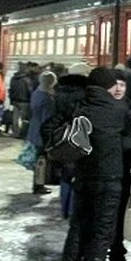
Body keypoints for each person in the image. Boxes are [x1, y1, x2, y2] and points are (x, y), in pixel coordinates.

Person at [59, 67, 131, 261]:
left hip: (83, 179)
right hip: (110, 180)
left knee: (77, 231)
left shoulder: (80, 109)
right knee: (101, 234)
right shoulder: (119, 109)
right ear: (107, 87)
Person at [106, 68, 131, 261]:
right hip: (106, 170)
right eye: (116, 84)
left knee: (118, 218)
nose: (119, 88)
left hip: (122, 170)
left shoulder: (129, 108)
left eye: (122, 84)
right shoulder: (103, 108)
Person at [43, 63, 91, 219]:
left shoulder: (59, 90)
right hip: (77, 135)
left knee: (66, 173)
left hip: (61, 135)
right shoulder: (84, 92)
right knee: (78, 174)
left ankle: (64, 209)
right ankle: (72, 210)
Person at [26, 71, 57, 194]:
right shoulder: (47, 97)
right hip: (42, 133)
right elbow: (48, 118)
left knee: (38, 159)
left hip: (34, 128)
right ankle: (39, 185)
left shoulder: (36, 93)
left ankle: (37, 184)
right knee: (41, 160)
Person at [8, 62, 33, 139]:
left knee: (14, 118)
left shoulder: (13, 78)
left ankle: (16, 133)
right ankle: (23, 134)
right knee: (24, 119)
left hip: (15, 101)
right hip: (25, 101)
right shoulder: (27, 79)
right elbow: (30, 91)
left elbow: (11, 90)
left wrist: (11, 99)